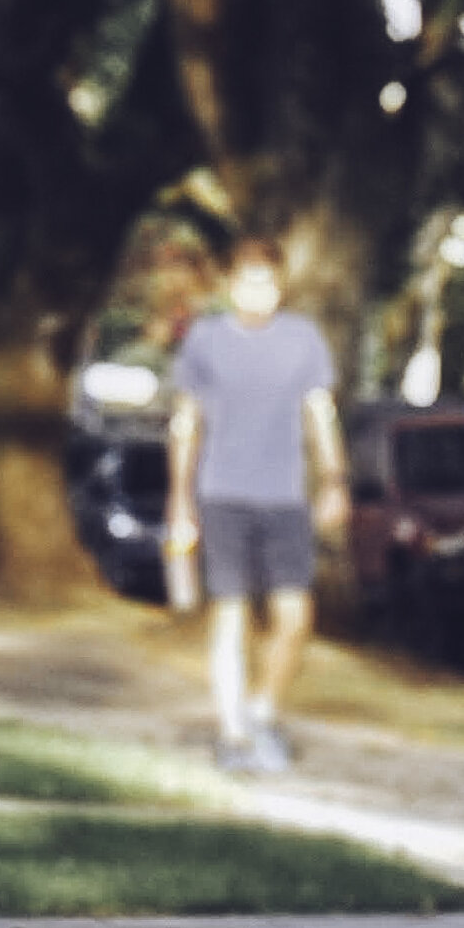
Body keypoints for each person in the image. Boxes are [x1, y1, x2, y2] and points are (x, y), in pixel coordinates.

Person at [165, 241, 349, 774]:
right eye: (246, 281)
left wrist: (334, 480)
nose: (257, 292)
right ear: (229, 284)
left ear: (281, 285)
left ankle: (262, 708)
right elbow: (185, 420)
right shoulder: (207, 339)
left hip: (284, 496)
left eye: (266, 282)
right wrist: (180, 497)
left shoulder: (303, 341)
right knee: (230, 613)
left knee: (295, 617)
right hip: (223, 493)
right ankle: (233, 733)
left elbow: (320, 413)